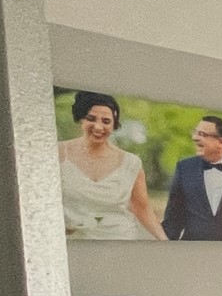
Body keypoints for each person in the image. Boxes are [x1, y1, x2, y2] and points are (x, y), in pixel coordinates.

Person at [58, 91, 166, 240]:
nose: (98, 126)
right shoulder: (58, 153)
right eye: (91, 118)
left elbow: (142, 207)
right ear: (81, 119)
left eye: (106, 121)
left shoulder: (131, 163)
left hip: (119, 242)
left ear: (114, 124)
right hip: (72, 244)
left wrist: (165, 242)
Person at [161, 115, 222, 240]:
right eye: (195, 133)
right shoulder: (184, 168)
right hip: (191, 252)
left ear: (221, 142)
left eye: (202, 134)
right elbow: (173, 220)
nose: (194, 137)